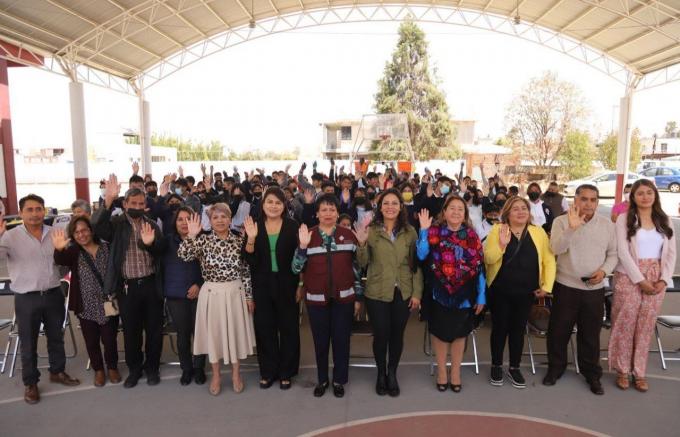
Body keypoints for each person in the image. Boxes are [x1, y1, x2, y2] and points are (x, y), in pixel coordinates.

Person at [0, 194, 81, 404]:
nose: (35, 213)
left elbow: (64, 263)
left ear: (44, 211)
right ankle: (31, 383)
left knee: (56, 337)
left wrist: (63, 250)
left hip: (54, 294)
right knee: (28, 343)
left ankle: (57, 371)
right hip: (26, 299)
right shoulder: (9, 236)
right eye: (30, 209)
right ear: (20, 213)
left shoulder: (55, 233)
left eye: (38, 209)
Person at [544, 184, 617, 395]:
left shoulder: (607, 226)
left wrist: (604, 272)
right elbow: (555, 249)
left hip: (594, 289)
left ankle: (592, 374)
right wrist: (572, 228)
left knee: (590, 335)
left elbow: (613, 254)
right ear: (575, 200)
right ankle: (555, 369)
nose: (588, 204)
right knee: (558, 332)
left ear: (597, 202)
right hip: (566, 286)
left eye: (593, 200)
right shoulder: (560, 221)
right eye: (584, 199)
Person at [94, 175, 166, 388]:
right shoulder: (116, 224)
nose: (137, 206)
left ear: (146, 205)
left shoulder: (152, 224)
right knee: (131, 332)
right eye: (132, 203)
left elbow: (161, 250)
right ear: (124, 204)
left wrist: (150, 244)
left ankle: (152, 368)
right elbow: (97, 228)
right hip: (127, 287)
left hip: (151, 284)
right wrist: (107, 202)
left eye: (141, 203)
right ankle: (135, 369)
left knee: (154, 330)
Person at [178, 204, 256, 395]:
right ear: (210, 221)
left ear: (231, 219)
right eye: (215, 217)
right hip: (211, 293)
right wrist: (192, 236)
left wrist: (248, 295)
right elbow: (184, 255)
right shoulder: (203, 240)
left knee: (234, 334)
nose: (220, 220)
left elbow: (246, 270)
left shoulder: (239, 240)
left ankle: (236, 374)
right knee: (215, 335)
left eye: (224, 216)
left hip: (235, 292)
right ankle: (216, 375)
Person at [292, 194, 363, 398]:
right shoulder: (308, 235)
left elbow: (357, 268)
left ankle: (339, 380)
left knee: (342, 341)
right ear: (317, 214)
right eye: (324, 209)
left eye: (332, 209)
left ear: (337, 213)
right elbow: (296, 268)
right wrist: (303, 248)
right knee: (320, 341)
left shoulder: (348, 235)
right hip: (316, 299)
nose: (328, 213)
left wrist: (358, 297)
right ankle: (322, 379)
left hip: (344, 298)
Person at [608, 179, 676, 392]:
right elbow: (622, 251)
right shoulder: (624, 219)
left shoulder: (664, 219)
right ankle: (622, 370)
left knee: (645, 326)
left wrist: (664, 278)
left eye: (649, 192)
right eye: (640, 193)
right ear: (633, 197)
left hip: (656, 278)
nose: (645, 197)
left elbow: (671, 252)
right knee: (625, 323)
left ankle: (639, 371)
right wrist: (640, 280)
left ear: (655, 195)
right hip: (629, 276)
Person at [356, 189, 423, 397]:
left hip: (403, 291)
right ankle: (380, 373)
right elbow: (362, 263)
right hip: (377, 291)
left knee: (397, 335)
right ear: (380, 206)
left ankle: (392, 372)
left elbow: (416, 265)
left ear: (401, 206)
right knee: (381, 334)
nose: (390, 207)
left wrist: (417, 293)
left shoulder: (410, 232)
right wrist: (361, 243)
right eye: (386, 203)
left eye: (395, 203)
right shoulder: (372, 229)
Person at [484, 196, 555, 388]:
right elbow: (488, 258)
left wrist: (547, 286)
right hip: (500, 290)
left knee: (518, 330)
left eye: (524, 208)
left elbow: (548, 260)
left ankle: (514, 367)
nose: (521, 211)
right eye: (515, 209)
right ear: (507, 213)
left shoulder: (538, 232)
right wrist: (501, 245)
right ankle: (496, 365)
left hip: (526, 292)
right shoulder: (497, 230)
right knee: (499, 329)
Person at [417, 196, 485, 393]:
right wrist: (423, 231)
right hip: (438, 293)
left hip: (464, 295)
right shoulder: (434, 232)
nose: (456, 212)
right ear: (444, 212)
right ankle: (442, 372)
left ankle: (455, 372)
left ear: (465, 215)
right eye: (452, 208)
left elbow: (479, 267)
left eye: (460, 209)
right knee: (439, 333)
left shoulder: (472, 236)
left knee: (459, 334)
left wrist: (481, 296)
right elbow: (421, 255)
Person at [243, 188, 301, 390]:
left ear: (284, 205)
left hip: (288, 283)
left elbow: (301, 257)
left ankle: (286, 371)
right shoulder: (255, 226)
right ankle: (268, 371)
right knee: (265, 328)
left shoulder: (293, 226)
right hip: (263, 285)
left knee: (289, 329)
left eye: (278, 202)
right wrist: (250, 238)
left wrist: (300, 284)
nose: (274, 206)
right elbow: (249, 259)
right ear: (263, 204)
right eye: (270, 202)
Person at [53, 217, 120, 387]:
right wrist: (59, 249)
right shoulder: (74, 252)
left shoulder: (106, 247)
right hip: (85, 304)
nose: (81, 234)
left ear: (91, 230)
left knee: (110, 339)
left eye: (84, 230)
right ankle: (98, 369)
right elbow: (61, 260)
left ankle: (112, 367)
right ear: (73, 236)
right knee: (91, 340)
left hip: (108, 303)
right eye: (76, 232)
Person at [161, 206, 206, 386]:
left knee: (200, 334)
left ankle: (199, 368)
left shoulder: (203, 240)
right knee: (182, 335)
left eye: (188, 219)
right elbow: (152, 249)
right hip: (175, 295)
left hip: (199, 293)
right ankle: (186, 369)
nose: (184, 223)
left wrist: (199, 284)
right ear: (175, 222)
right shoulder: (167, 241)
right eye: (180, 219)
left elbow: (210, 267)